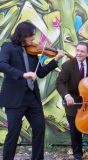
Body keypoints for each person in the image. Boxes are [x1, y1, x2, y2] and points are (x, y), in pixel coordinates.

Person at [0, 21, 64, 160]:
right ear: (23, 35)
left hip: (32, 97)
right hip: (14, 98)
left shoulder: (33, 51)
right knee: (13, 133)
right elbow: (2, 65)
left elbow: (40, 73)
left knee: (39, 129)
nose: (33, 39)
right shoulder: (8, 47)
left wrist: (56, 60)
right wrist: (23, 74)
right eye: (31, 36)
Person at [56, 42, 88, 160]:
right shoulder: (67, 65)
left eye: (82, 51)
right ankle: (78, 154)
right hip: (74, 101)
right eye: (77, 50)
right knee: (75, 130)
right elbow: (59, 83)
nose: (78, 53)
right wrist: (66, 96)